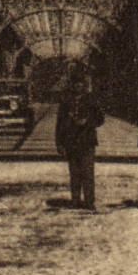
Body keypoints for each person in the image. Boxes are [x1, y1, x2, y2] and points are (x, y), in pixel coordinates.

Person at [55, 70, 104, 210]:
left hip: (87, 142)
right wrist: (59, 143)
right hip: (71, 142)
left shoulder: (91, 100)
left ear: (85, 85)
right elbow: (59, 124)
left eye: (81, 84)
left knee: (88, 173)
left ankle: (89, 202)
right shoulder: (66, 101)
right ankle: (75, 200)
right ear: (72, 85)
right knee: (74, 174)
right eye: (76, 84)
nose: (78, 86)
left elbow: (100, 119)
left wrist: (87, 122)